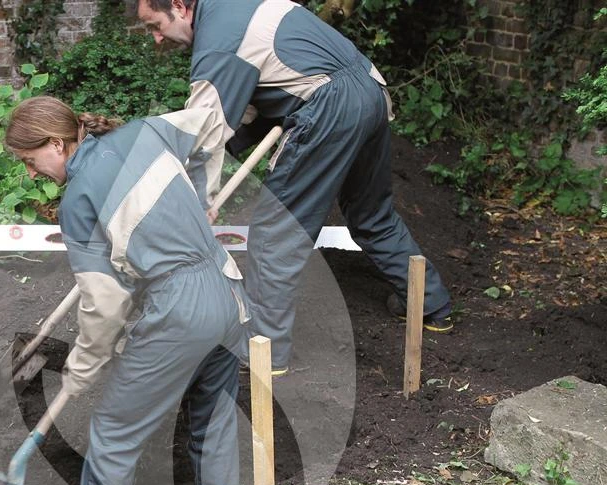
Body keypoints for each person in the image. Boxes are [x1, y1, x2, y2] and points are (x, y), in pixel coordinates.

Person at [136, 0, 455, 376]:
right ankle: (429, 305)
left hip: (330, 105)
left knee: (276, 230)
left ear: (178, 6)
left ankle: (264, 348)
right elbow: (255, 97)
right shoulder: (237, 9)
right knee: (372, 213)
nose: (156, 38)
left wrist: (191, 201)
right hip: (370, 90)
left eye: (154, 25)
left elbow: (203, 131)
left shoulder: (220, 40)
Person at [5, 95, 249, 485]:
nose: (30, 173)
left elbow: (105, 305)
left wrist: (81, 370)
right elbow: (211, 124)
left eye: (30, 159)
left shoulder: (78, 200)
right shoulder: (145, 131)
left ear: (56, 144)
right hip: (228, 293)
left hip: (181, 311)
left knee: (115, 429)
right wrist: (199, 192)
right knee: (214, 419)